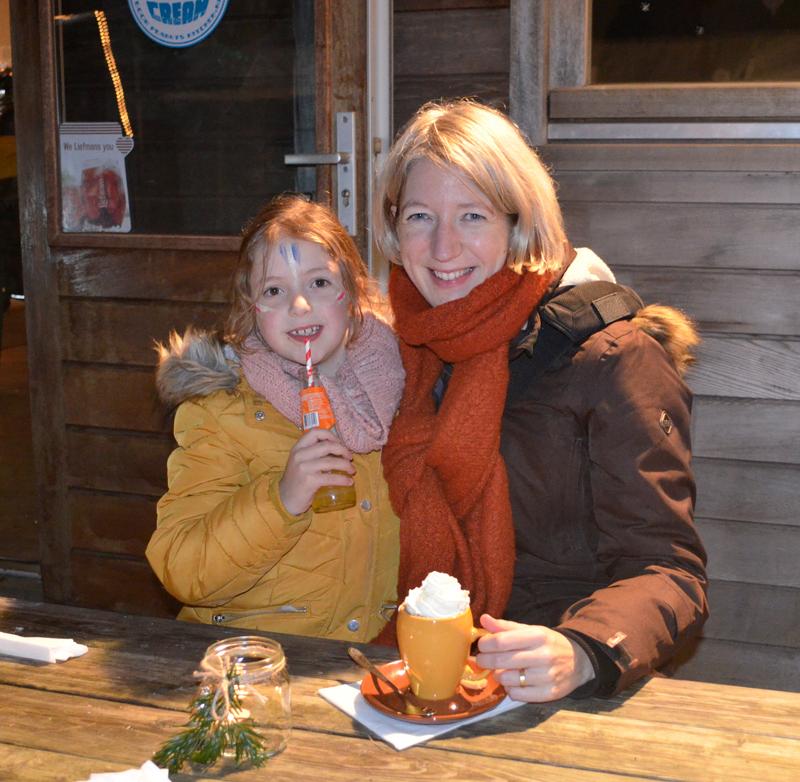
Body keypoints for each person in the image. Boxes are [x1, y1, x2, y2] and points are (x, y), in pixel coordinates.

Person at [372, 100, 708, 701]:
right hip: (420, 671)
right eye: (420, 216)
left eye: (472, 215)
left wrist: (582, 649)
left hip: (554, 687)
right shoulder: (396, 353)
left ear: (519, 221)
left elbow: (669, 569)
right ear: (394, 228)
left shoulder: (613, 358)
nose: (443, 246)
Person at [146, 195, 404, 642]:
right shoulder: (221, 412)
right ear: (251, 308)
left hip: (373, 666)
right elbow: (181, 568)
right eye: (273, 290)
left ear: (355, 291)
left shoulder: (408, 390)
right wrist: (282, 500)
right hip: (255, 659)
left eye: (320, 282)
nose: (299, 305)